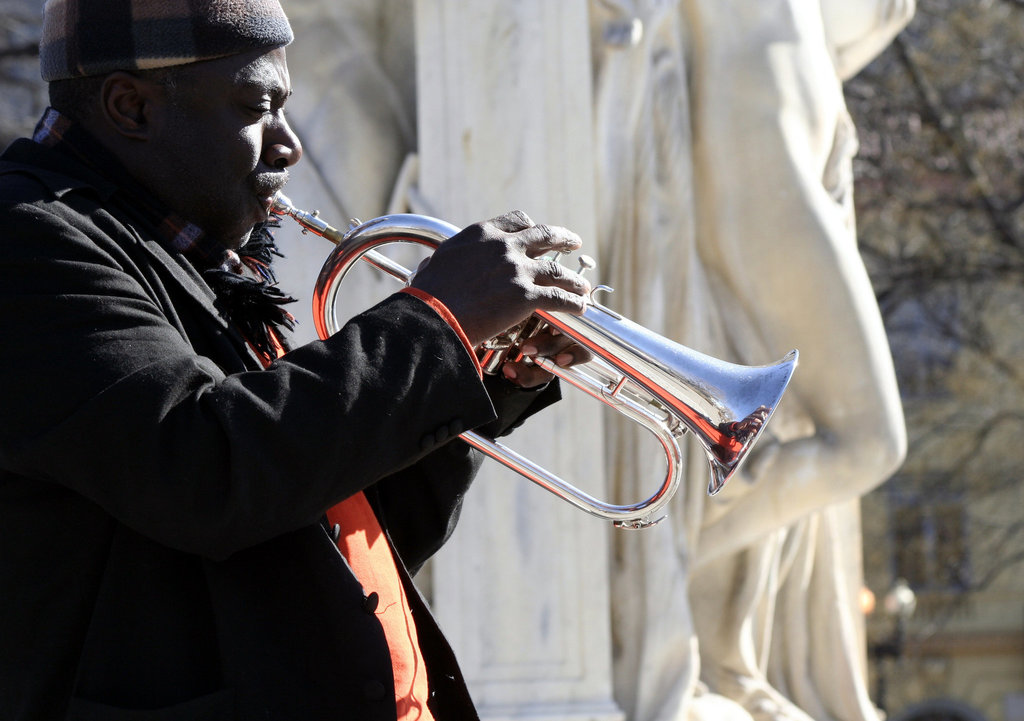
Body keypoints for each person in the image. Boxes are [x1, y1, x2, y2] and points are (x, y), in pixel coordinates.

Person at [0, 1, 595, 719]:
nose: (289, 145)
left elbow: (316, 529)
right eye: (256, 107)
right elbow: (205, 469)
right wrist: (437, 323)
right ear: (132, 106)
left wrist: (488, 373)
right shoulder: (30, 243)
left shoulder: (191, 256)